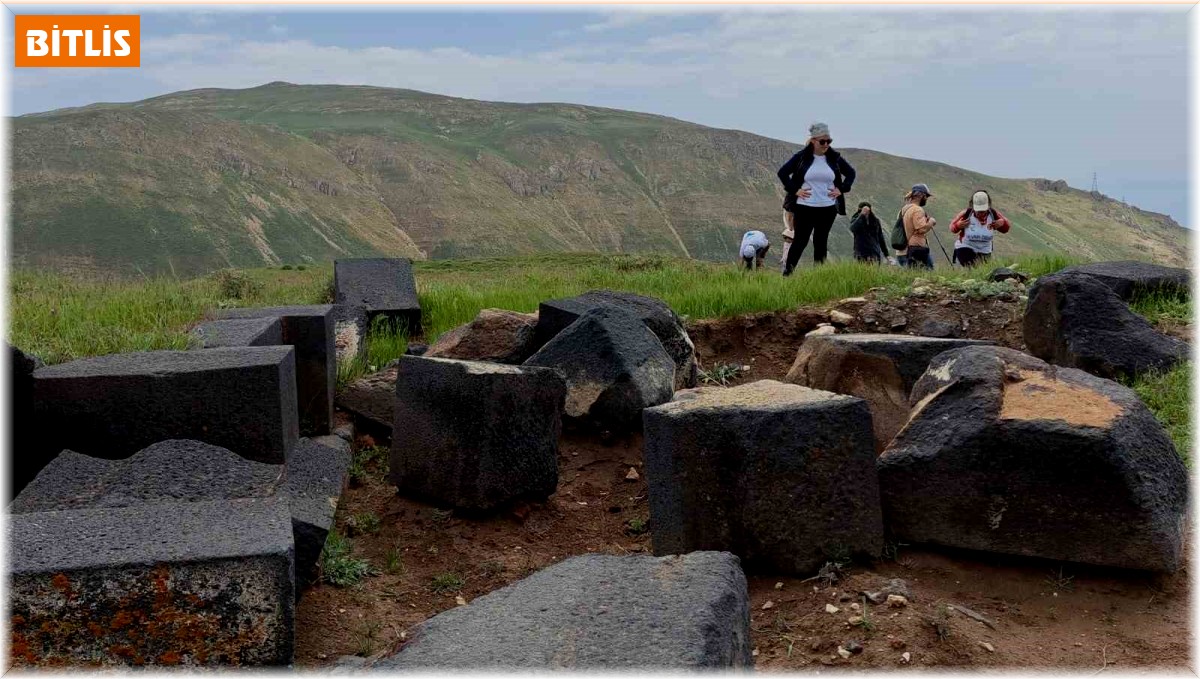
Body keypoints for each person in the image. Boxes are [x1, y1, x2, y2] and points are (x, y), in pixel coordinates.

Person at [777, 122, 857, 275]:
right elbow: (782, 173)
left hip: (828, 208)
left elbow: (851, 173)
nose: (826, 144)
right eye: (822, 141)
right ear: (813, 140)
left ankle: (819, 275)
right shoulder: (801, 157)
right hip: (804, 207)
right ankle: (787, 274)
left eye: (829, 141)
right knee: (800, 241)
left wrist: (842, 189)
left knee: (821, 242)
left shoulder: (834, 158)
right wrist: (796, 190)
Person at [950, 190, 1011, 267]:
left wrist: (1002, 224)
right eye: (978, 210)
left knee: (983, 271)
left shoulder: (993, 214)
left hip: (985, 250)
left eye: (983, 211)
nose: (980, 213)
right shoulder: (966, 213)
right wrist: (958, 225)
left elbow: (1006, 228)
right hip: (965, 247)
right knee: (972, 268)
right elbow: (952, 228)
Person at [898, 183, 936, 269]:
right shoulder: (917, 210)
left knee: (909, 279)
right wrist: (931, 222)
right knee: (927, 277)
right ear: (920, 195)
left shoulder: (904, 209)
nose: (926, 198)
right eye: (926, 196)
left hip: (901, 251)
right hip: (914, 251)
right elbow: (922, 229)